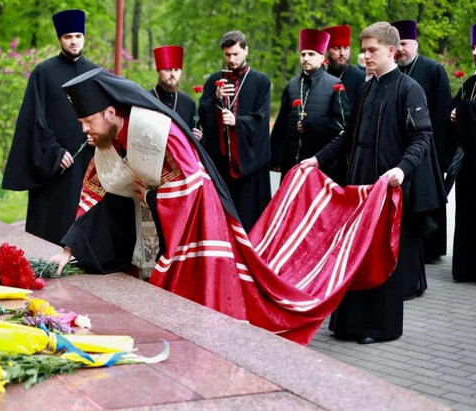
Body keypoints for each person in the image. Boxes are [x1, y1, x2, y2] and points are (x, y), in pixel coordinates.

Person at [49, 67, 402, 345]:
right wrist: (68, 250)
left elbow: (190, 186)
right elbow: (96, 189)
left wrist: (150, 197)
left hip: (196, 223)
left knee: (197, 311)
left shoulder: (157, 131)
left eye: (87, 121)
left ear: (110, 111)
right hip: (158, 222)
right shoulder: (107, 136)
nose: (84, 130)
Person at [301, 22, 444, 344]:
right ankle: (348, 324)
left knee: (382, 257)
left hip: (388, 187)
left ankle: (380, 328)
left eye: (371, 50)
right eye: (363, 50)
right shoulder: (367, 88)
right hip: (359, 186)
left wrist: (403, 170)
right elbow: (347, 134)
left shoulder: (409, 89)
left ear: (391, 51)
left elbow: (422, 137)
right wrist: (318, 159)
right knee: (355, 254)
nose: (364, 56)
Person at [1, 9, 98, 244]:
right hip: (54, 166)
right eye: (68, 37)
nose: (74, 41)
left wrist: (101, 136)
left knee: (86, 219)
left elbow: (106, 115)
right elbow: (34, 120)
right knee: (51, 222)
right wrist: (54, 152)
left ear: (83, 37)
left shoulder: (95, 73)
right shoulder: (43, 73)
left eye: (77, 36)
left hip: (87, 162)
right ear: (59, 39)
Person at [391, 20, 451, 273]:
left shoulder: (433, 70)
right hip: (399, 152)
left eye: (404, 44)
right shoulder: (395, 72)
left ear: (415, 44)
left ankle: (432, 249)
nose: (401, 50)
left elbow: (442, 113)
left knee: (426, 200)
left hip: (428, 148)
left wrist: (438, 153)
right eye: (397, 45)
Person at [198, 31, 271, 231]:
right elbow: (202, 114)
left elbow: (261, 119)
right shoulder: (214, 80)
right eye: (228, 55)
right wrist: (215, 98)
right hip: (221, 162)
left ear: (246, 50)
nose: (232, 59)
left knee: (250, 220)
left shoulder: (260, 81)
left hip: (249, 161)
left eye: (236, 54)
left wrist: (237, 122)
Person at [271, 29, 349, 185]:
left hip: (322, 163)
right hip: (292, 162)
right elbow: (281, 125)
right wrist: (276, 157)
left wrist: (311, 125)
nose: (306, 58)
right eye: (303, 54)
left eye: (311, 54)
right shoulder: (292, 85)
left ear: (322, 57)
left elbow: (341, 124)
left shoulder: (335, 85)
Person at [450, 23, 476, 284]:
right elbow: (455, 108)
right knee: (467, 213)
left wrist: (465, 112)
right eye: (473, 47)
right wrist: (455, 114)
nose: (475, 52)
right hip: (469, 164)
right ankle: (466, 267)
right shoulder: (472, 81)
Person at [149, 46, 202, 140]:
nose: (173, 74)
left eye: (176, 70)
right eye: (168, 70)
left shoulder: (189, 103)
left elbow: (196, 140)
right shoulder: (146, 99)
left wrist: (197, 139)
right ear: (159, 71)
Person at [323, 25, 366, 108]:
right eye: (337, 48)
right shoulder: (320, 75)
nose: (342, 53)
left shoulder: (359, 77)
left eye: (346, 48)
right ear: (327, 51)